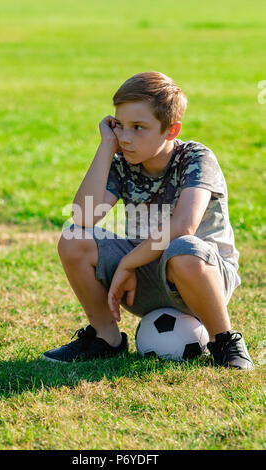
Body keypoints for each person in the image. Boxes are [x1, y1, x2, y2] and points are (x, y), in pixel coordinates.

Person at [42, 71, 254, 370]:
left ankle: (224, 340)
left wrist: (127, 263)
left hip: (200, 277)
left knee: (184, 248)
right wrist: (106, 146)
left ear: (171, 130)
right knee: (73, 238)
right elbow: (83, 216)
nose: (125, 137)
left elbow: (184, 227)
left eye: (139, 127)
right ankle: (106, 338)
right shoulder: (124, 160)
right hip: (141, 279)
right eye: (120, 126)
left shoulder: (195, 158)